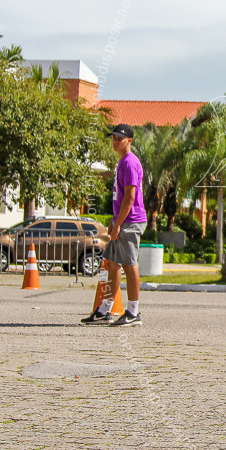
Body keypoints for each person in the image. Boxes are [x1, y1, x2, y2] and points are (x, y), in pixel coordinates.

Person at [82, 124, 147, 326]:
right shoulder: (122, 162)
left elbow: (130, 196)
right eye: (114, 137)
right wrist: (114, 221)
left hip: (131, 220)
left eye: (120, 138)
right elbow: (120, 197)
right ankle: (105, 310)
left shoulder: (129, 162)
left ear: (129, 141)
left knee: (128, 264)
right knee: (112, 263)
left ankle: (133, 311)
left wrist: (119, 224)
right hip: (122, 220)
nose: (115, 141)